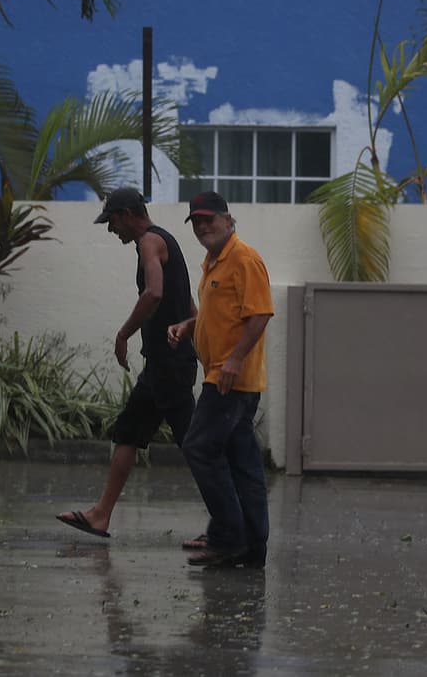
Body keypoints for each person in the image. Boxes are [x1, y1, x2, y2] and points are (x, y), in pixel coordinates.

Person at [57, 187, 200, 539]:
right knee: (128, 432)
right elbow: (191, 309)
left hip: (169, 366)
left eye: (111, 221)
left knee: (197, 444)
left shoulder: (150, 242)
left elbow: (154, 292)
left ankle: (231, 522)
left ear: (125, 214)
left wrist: (123, 334)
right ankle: (100, 515)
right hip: (162, 365)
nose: (110, 229)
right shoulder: (163, 241)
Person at [167, 190, 273, 569]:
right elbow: (223, 312)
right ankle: (251, 544)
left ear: (229, 220)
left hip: (230, 379)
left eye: (209, 220)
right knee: (239, 459)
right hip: (225, 375)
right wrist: (189, 325)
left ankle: (228, 537)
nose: (202, 227)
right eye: (196, 222)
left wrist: (234, 359)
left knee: (200, 448)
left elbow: (259, 314)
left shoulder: (244, 258)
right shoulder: (214, 260)